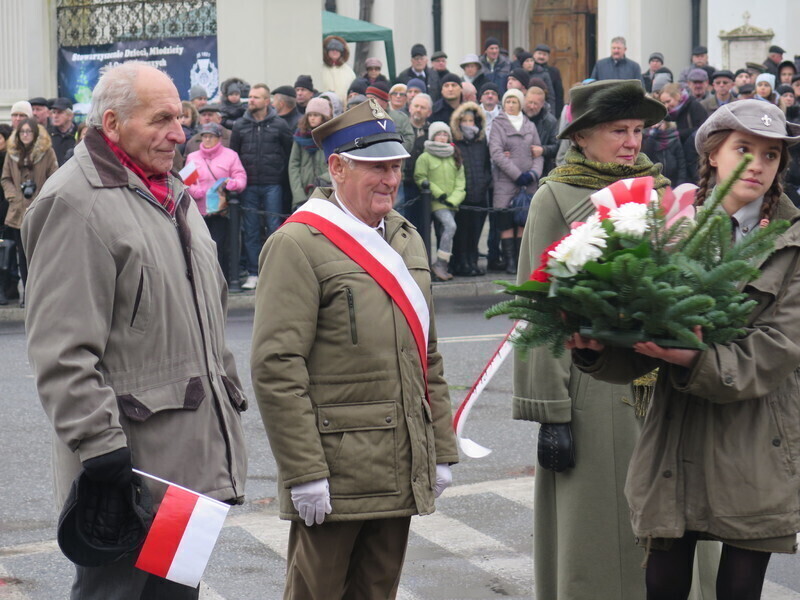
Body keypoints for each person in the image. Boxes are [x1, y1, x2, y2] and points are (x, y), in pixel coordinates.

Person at [21, 61, 248, 600]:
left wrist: (228, 393)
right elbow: (61, 349)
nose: (179, 132)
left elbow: (204, 313)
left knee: (174, 596)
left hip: (186, 469)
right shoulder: (74, 202)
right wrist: (100, 449)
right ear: (113, 122)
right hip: (128, 473)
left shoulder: (171, 190)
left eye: (182, 117)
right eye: (162, 119)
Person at [570, 99, 800, 600]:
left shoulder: (793, 243)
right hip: (678, 434)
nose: (756, 165)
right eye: (744, 149)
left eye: (771, 155)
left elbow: (780, 348)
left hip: (757, 438)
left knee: (739, 588)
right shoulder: (669, 228)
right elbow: (639, 342)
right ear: (714, 154)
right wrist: (595, 348)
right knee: (664, 582)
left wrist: (697, 359)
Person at [251, 98, 458, 600]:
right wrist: (304, 472)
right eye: (375, 168)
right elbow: (277, 366)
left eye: (395, 167)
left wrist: (441, 448)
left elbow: (425, 352)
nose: (389, 179)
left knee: (377, 591)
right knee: (316, 593)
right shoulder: (299, 244)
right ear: (338, 167)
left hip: (399, 460)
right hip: (335, 469)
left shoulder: (406, 239)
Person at [514, 79, 670, 600]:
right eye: (617, 130)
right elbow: (539, 309)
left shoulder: (663, 190)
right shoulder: (555, 196)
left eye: (638, 130)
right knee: (598, 532)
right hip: (593, 390)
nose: (632, 142)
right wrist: (549, 411)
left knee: (676, 528)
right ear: (581, 136)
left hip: (669, 383)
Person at [230, 83, 293, 290]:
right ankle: (253, 272)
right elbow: (234, 155)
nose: (251, 101)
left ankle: (276, 271)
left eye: (256, 97)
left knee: (275, 228)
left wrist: (281, 178)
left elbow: (288, 152)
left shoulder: (280, 124)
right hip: (248, 185)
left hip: (273, 184)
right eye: (250, 97)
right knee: (250, 230)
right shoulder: (240, 125)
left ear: (267, 101)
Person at [0, 118, 58, 300]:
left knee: (41, 254)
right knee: (22, 255)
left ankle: (43, 293)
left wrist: (40, 195)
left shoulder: (46, 152)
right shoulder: (12, 153)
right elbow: (6, 178)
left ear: (35, 133)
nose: (25, 135)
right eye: (22, 132)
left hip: (40, 209)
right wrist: (13, 196)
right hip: (18, 211)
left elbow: (55, 176)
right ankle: (27, 293)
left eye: (28, 131)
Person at [489, 88, 543, 274]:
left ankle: (521, 262)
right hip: (505, 182)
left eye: (514, 101)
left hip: (528, 183)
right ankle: (510, 262)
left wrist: (533, 174)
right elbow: (496, 152)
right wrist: (517, 175)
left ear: (520, 104)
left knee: (522, 223)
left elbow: (538, 152)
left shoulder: (529, 125)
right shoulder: (498, 124)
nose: (510, 105)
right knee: (505, 223)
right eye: (507, 102)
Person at [185, 122, 247, 279]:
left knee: (219, 246)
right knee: (200, 245)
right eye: (204, 136)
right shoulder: (193, 157)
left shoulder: (230, 155)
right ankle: (203, 278)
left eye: (210, 136)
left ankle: (222, 279)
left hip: (220, 210)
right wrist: (194, 191)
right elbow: (185, 181)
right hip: (199, 211)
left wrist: (234, 185)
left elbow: (240, 176)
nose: (206, 140)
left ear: (219, 138)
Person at [414, 121, 465, 281]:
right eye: (439, 134)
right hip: (436, 202)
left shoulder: (454, 155)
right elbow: (420, 177)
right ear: (433, 136)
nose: (442, 137)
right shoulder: (425, 157)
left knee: (445, 232)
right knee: (451, 226)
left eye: (445, 134)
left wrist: (453, 199)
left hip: (452, 203)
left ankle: (441, 267)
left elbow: (460, 181)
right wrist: (439, 194)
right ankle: (440, 264)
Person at [450, 101, 491, 276]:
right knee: (462, 233)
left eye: (471, 120)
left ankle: (473, 262)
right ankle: (462, 263)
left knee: (475, 232)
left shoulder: (481, 141)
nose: (468, 124)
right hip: (463, 196)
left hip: (480, 194)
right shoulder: (456, 141)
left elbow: (486, 165)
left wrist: (484, 184)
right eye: (464, 120)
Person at [288, 97, 332, 207]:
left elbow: (339, 163)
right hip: (304, 192)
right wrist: (299, 195)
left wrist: (325, 179)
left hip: (326, 191)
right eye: (310, 115)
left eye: (316, 115)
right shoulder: (300, 137)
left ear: (324, 117)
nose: (312, 118)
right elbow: (293, 165)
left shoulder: (331, 137)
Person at [524, 86, 559, 177]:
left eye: (535, 104)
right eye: (530, 102)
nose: (532, 106)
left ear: (542, 104)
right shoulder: (516, 116)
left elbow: (557, 146)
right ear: (524, 100)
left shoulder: (550, 122)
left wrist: (543, 150)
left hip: (542, 171)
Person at [321, 35, 357, 105]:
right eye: (332, 49)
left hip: (343, 108)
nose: (335, 52)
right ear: (326, 51)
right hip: (323, 108)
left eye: (338, 49)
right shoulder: (320, 69)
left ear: (342, 52)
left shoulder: (348, 71)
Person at [533, 44, 565, 116]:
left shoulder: (554, 71)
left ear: (548, 57)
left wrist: (558, 113)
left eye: (544, 55)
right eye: (539, 54)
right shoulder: (529, 69)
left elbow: (559, 93)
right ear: (534, 55)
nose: (541, 56)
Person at [48, 97, 77, 166]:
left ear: (70, 116)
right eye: (54, 112)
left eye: (60, 112)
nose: (55, 116)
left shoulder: (79, 133)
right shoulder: (47, 134)